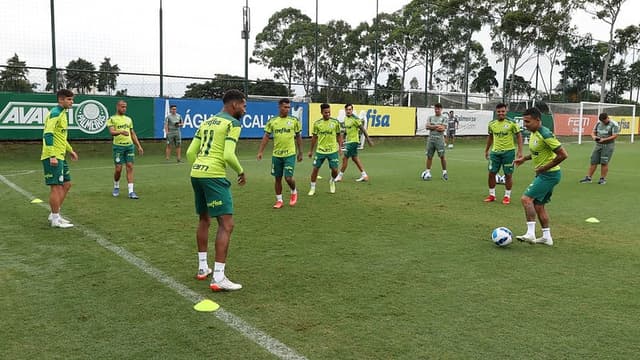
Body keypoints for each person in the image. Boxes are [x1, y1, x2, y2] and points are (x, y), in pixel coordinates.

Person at [186, 89, 247, 291]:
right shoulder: (233, 123)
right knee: (227, 224)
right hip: (213, 176)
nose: (245, 109)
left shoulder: (206, 122)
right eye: (243, 105)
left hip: (196, 173)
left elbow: (190, 152)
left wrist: (200, 168)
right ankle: (219, 277)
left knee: (204, 219)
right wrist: (240, 171)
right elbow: (229, 155)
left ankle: (203, 268)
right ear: (234, 105)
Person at [513, 107, 568, 246]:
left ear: (537, 120)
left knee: (526, 199)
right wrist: (524, 159)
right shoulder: (534, 132)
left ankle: (530, 233)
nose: (525, 124)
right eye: (524, 121)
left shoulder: (545, 134)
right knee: (539, 205)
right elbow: (538, 152)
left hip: (549, 175)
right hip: (547, 174)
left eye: (528, 121)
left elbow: (563, 155)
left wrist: (543, 168)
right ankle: (546, 237)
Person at [41, 89, 78, 228]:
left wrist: (70, 150)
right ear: (61, 100)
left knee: (67, 184)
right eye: (69, 99)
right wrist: (52, 155)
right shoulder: (55, 113)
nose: (71, 102)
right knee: (56, 187)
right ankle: (55, 220)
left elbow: (60, 136)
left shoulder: (63, 113)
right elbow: (48, 135)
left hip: (61, 155)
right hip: (53, 156)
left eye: (72, 99)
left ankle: (54, 213)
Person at [257, 98, 303, 208]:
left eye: (289, 107)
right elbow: (266, 136)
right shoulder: (273, 121)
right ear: (279, 107)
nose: (287, 109)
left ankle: (294, 191)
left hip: (290, 154)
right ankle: (279, 200)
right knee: (277, 178)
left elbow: (298, 136)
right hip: (276, 155)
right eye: (285, 107)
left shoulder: (294, 121)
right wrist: (260, 151)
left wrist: (300, 152)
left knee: (288, 178)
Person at [484, 103, 523, 205]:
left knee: (508, 175)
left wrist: (520, 151)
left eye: (503, 111)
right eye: (499, 111)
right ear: (496, 112)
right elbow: (490, 137)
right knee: (491, 173)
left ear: (506, 111)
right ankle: (492, 195)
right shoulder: (492, 124)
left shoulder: (512, 123)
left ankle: (507, 196)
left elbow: (519, 136)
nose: (501, 113)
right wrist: (487, 150)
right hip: (495, 153)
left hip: (509, 153)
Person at [107, 100, 144, 199]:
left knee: (130, 166)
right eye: (122, 107)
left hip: (129, 146)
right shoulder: (112, 119)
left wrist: (139, 146)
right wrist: (120, 132)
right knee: (118, 169)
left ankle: (131, 191)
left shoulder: (128, 119)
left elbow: (132, 133)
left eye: (125, 107)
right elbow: (112, 132)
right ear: (117, 107)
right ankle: (116, 186)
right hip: (118, 147)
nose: (124, 109)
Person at [308, 103, 343, 195]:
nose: (327, 114)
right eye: (325, 112)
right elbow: (314, 137)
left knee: (335, 170)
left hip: (332, 150)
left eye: (329, 112)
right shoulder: (317, 124)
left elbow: (339, 135)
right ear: (321, 112)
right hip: (320, 151)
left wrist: (340, 147)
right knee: (315, 169)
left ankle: (331, 181)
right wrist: (311, 150)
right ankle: (312, 188)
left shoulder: (335, 122)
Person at [335, 103, 373, 182]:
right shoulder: (345, 119)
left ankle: (339, 176)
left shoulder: (355, 119)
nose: (348, 111)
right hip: (349, 141)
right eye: (347, 110)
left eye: (350, 109)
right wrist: (341, 141)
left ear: (352, 110)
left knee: (345, 158)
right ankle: (364, 175)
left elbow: (362, 129)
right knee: (355, 158)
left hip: (354, 142)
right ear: (345, 110)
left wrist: (368, 140)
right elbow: (345, 131)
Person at [579, 112, 620, 185]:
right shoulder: (598, 123)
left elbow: (615, 136)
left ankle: (602, 179)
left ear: (607, 118)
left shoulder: (614, 124)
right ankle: (588, 178)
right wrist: (594, 137)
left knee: (604, 162)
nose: (603, 122)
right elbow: (593, 132)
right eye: (602, 121)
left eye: (604, 121)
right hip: (598, 145)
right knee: (593, 160)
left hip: (608, 145)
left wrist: (604, 139)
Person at [422, 103, 448, 181]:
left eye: (438, 109)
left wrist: (432, 126)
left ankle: (444, 172)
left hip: (439, 140)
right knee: (429, 156)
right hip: (431, 139)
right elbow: (427, 126)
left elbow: (442, 128)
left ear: (441, 109)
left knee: (442, 156)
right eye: (435, 109)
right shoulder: (430, 117)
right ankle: (427, 172)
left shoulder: (444, 118)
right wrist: (437, 126)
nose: (436, 110)